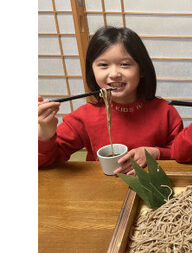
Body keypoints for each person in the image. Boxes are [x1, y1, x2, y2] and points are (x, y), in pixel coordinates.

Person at [38, 26, 183, 174]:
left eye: (125, 64)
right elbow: (47, 162)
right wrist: (44, 135)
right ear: (92, 70)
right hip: (102, 192)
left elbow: (183, 153)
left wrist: (157, 153)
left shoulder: (165, 112)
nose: (114, 74)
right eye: (103, 65)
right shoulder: (84, 116)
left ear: (142, 70)